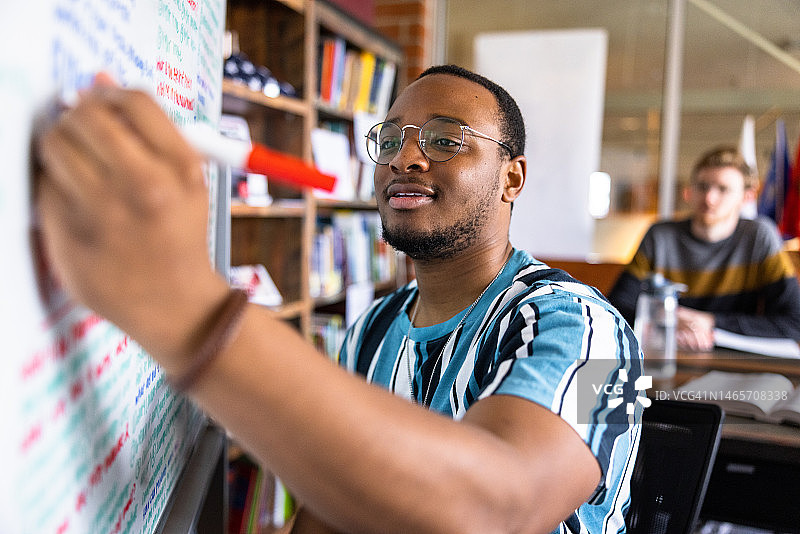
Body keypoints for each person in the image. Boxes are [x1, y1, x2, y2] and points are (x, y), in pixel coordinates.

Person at [37, 65, 642, 533]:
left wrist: (185, 307)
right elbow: (337, 505)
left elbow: (497, 510)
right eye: (393, 139)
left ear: (512, 177)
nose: (406, 157)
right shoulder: (375, 327)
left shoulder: (590, 332)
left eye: (445, 140)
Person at [609, 146, 800, 352]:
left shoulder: (759, 237)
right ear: (689, 192)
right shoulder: (660, 236)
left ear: (747, 197)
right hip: (667, 355)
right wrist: (667, 319)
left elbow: (794, 321)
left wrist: (709, 322)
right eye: (702, 186)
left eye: (723, 189)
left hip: (733, 362)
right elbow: (615, 307)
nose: (709, 198)